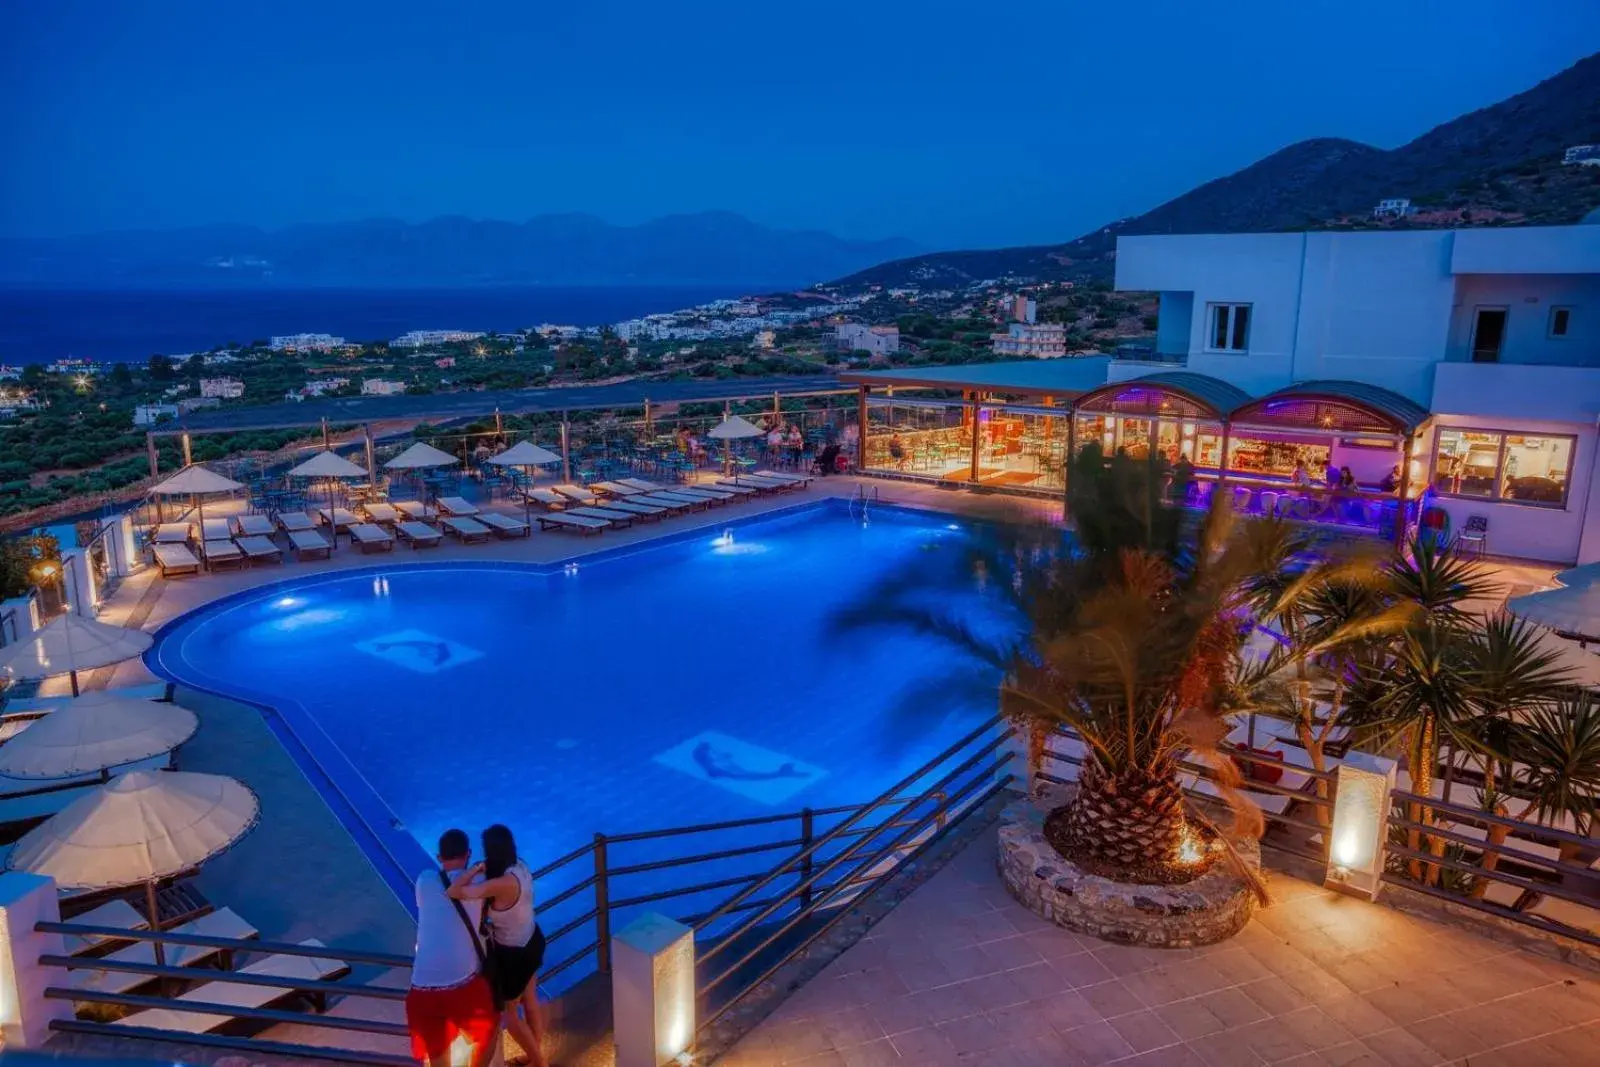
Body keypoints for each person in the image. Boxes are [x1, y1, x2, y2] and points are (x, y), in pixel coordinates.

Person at [449, 826, 548, 1067]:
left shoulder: (499, 883)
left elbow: (454, 891)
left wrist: (475, 868)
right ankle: (534, 1057)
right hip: (533, 940)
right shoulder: (520, 867)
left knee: (510, 1016)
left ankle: (540, 1063)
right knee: (530, 1000)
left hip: (516, 955)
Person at [407, 830, 499, 1067]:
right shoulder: (479, 882)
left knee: (438, 1055)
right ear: (468, 854)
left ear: (439, 857)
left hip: (420, 989)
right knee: (491, 1026)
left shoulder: (425, 880)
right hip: (461, 986)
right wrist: (479, 868)